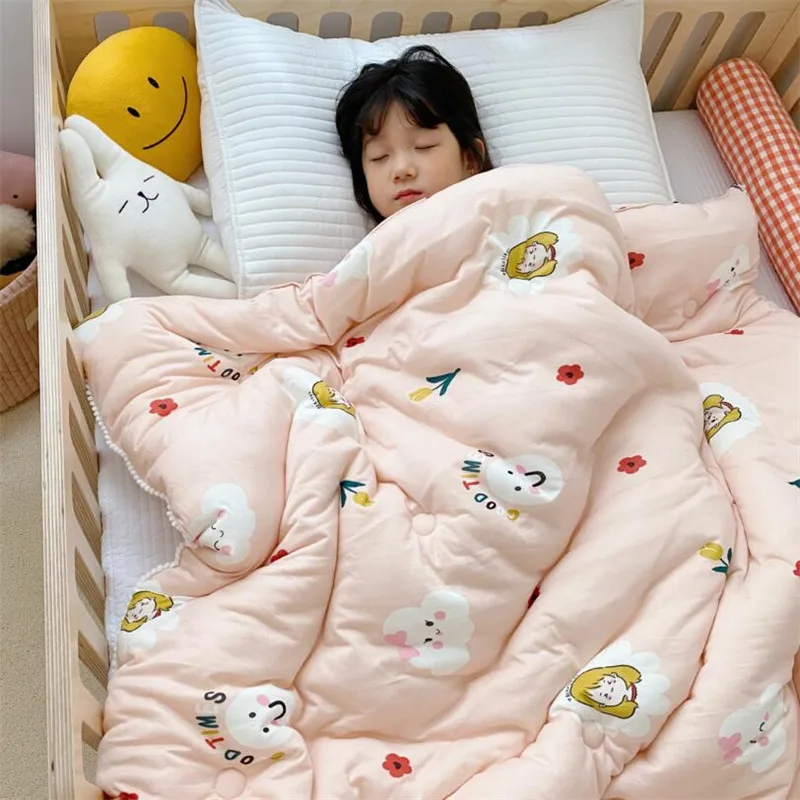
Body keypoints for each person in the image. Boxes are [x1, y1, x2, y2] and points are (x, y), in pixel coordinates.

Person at [335, 45, 494, 224]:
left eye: (424, 146)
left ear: (471, 158)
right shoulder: (379, 242)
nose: (402, 169)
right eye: (379, 156)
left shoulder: (508, 214)